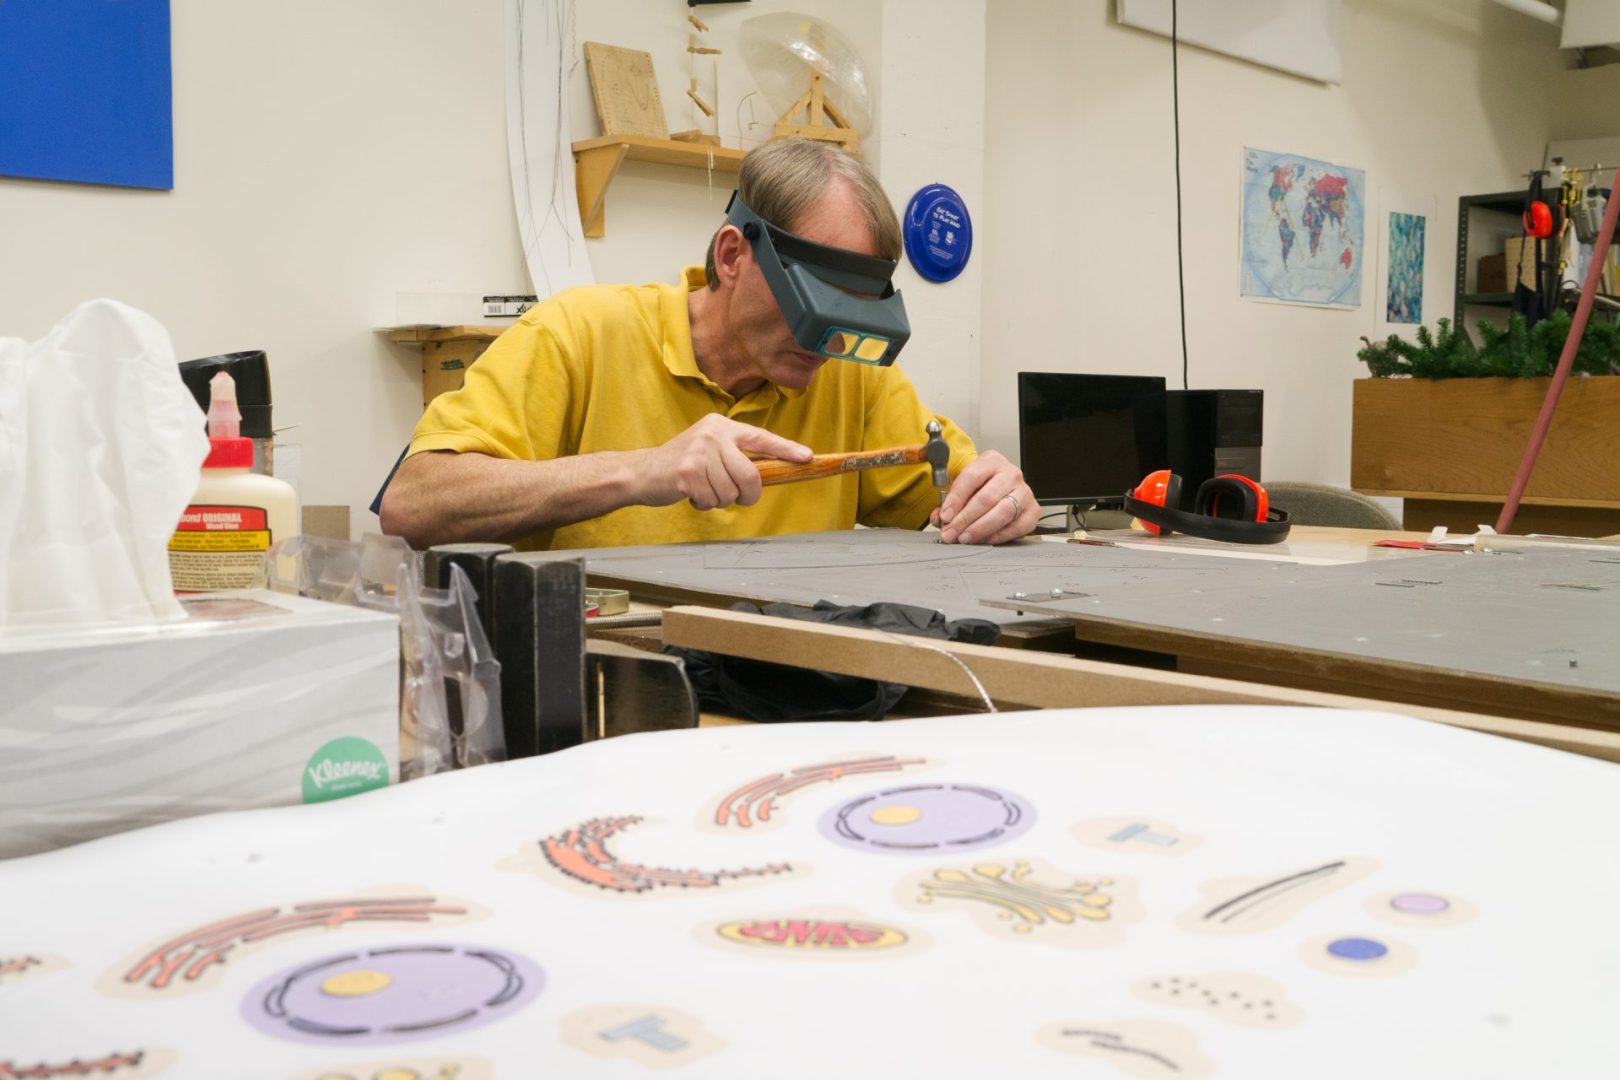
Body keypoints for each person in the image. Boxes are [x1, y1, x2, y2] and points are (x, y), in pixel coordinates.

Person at [379, 137, 1035, 552]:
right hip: (615, 687)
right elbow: (415, 502)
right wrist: (640, 471)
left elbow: (959, 495)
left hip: (791, 685)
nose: (831, 340)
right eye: (818, 306)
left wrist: (999, 498)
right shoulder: (579, 334)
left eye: (853, 318)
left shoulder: (847, 372)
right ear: (732, 256)